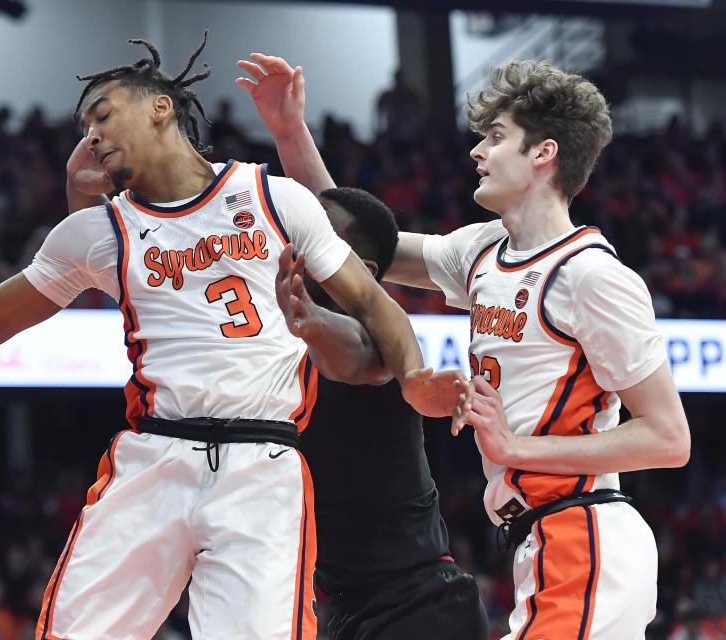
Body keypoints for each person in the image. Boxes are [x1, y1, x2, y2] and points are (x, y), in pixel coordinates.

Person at [0, 36, 460, 639]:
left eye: (102, 113)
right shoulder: (94, 233)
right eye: (85, 127)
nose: (92, 134)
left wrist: (415, 377)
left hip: (262, 466)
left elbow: (377, 307)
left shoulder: (275, 197)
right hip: (155, 457)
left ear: (160, 107)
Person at [237, 53, 691, 639]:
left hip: (585, 534)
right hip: (540, 541)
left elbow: (669, 438)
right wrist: (290, 132)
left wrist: (515, 447)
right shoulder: (481, 250)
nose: (476, 152)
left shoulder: (592, 276)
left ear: (543, 154)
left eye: (497, 138)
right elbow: (347, 236)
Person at [271, 185, 490, 640]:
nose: (300, 232)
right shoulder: (288, 317)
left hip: (420, 606)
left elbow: (351, 357)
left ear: (363, 271)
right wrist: (289, 130)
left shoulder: (380, 346)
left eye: (320, 229)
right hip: (355, 607)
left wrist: (312, 320)